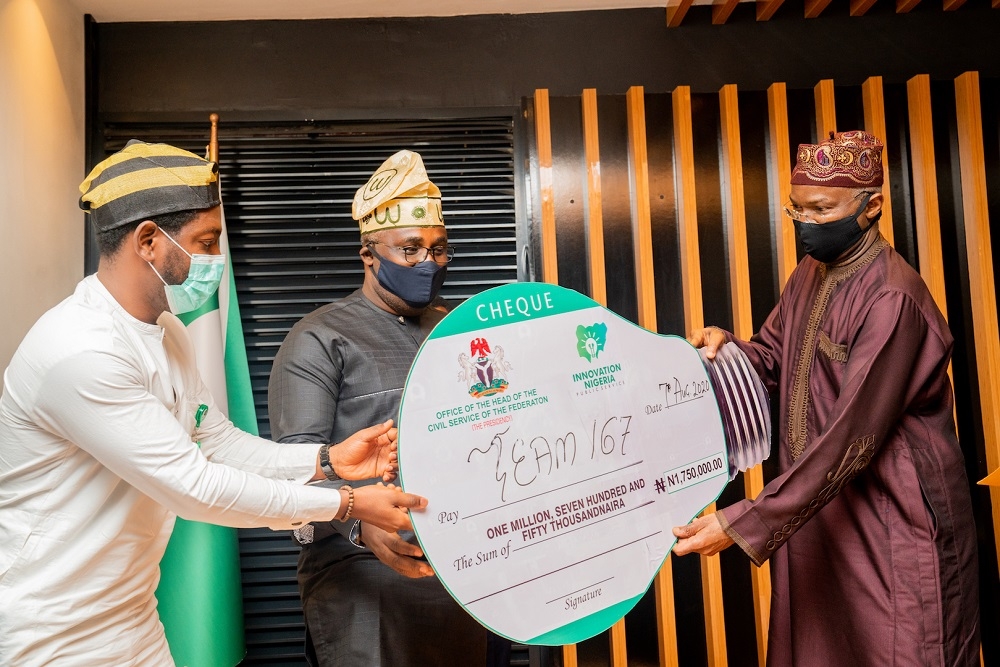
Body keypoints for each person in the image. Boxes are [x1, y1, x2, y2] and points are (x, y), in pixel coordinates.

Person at [0, 141, 426, 666]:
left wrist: (325, 461)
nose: (215, 260)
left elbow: (217, 441)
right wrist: (347, 502)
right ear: (149, 241)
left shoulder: (167, 333)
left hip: (132, 617)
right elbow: (195, 487)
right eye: (205, 242)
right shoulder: (81, 351)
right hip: (51, 633)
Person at [673, 131, 980, 666]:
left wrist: (744, 520)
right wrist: (728, 349)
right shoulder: (811, 273)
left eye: (822, 210)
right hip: (820, 515)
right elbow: (772, 359)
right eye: (798, 211)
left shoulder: (892, 298)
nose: (807, 225)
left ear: (873, 207)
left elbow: (849, 440)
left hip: (893, 522)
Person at [269, 150, 487, 667]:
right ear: (368, 253)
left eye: (438, 249)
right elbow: (294, 470)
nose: (426, 263)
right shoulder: (320, 339)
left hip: (471, 570)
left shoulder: (465, 328)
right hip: (365, 578)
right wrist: (360, 524)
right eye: (409, 250)